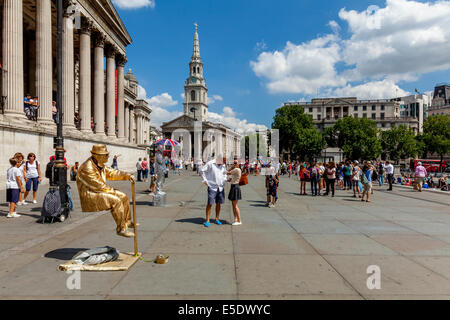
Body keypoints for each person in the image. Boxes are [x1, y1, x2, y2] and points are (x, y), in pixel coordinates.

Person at [76, 144, 136, 238]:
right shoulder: (87, 167)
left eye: (107, 154)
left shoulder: (100, 165)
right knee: (116, 201)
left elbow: (113, 173)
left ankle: (127, 222)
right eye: (105, 155)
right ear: (97, 156)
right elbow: (97, 185)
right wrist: (113, 191)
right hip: (90, 193)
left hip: (99, 190)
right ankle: (121, 229)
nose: (107, 156)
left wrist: (128, 176)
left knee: (124, 196)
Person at [200, 155, 227, 227]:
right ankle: (207, 220)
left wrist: (224, 180)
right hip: (212, 186)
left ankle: (217, 218)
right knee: (210, 203)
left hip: (220, 187)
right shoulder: (210, 163)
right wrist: (204, 180)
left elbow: (224, 173)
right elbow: (202, 170)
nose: (223, 163)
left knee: (219, 203)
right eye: (223, 161)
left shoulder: (223, 165)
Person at [227, 160, 242, 226]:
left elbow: (227, 172)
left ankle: (239, 220)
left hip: (235, 187)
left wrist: (231, 167)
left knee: (235, 205)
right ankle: (235, 219)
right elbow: (233, 178)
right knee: (233, 205)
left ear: (238, 164)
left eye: (235, 163)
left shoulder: (237, 169)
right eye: (234, 163)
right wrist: (230, 180)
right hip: (234, 186)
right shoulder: (237, 170)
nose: (234, 164)